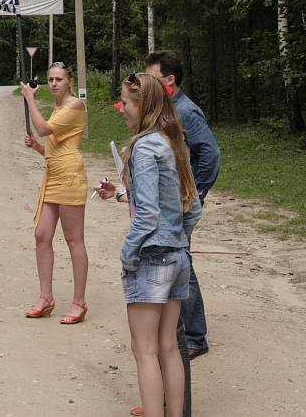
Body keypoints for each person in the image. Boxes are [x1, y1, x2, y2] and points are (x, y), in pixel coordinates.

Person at [97, 73, 201, 417]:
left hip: (151, 259)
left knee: (144, 350)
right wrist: (179, 241)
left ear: (142, 106)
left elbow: (148, 215)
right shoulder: (173, 142)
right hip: (176, 258)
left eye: (124, 103)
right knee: (168, 346)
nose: (121, 109)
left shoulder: (143, 147)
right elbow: (191, 206)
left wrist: (127, 255)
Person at [145, 50, 220, 359]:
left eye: (153, 78)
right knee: (175, 262)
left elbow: (210, 155)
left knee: (181, 265)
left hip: (182, 204)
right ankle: (176, 326)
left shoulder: (186, 111)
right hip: (171, 202)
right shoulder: (166, 108)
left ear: (170, 80)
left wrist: (195, 193)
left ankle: (194, 337)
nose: (147, 83)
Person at [19, 61, 89, 324]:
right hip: (53, 175)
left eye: (59, 79)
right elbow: (53, 143)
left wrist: (29, 99)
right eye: (50, 79)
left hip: (70, 176)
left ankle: (79, 302)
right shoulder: (59, 107)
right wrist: (38, 148)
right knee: (41, 234)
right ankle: (46, 297)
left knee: (73, 240)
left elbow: (45, 128)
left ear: (69, 80)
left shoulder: (74, 105)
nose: (54, 84)